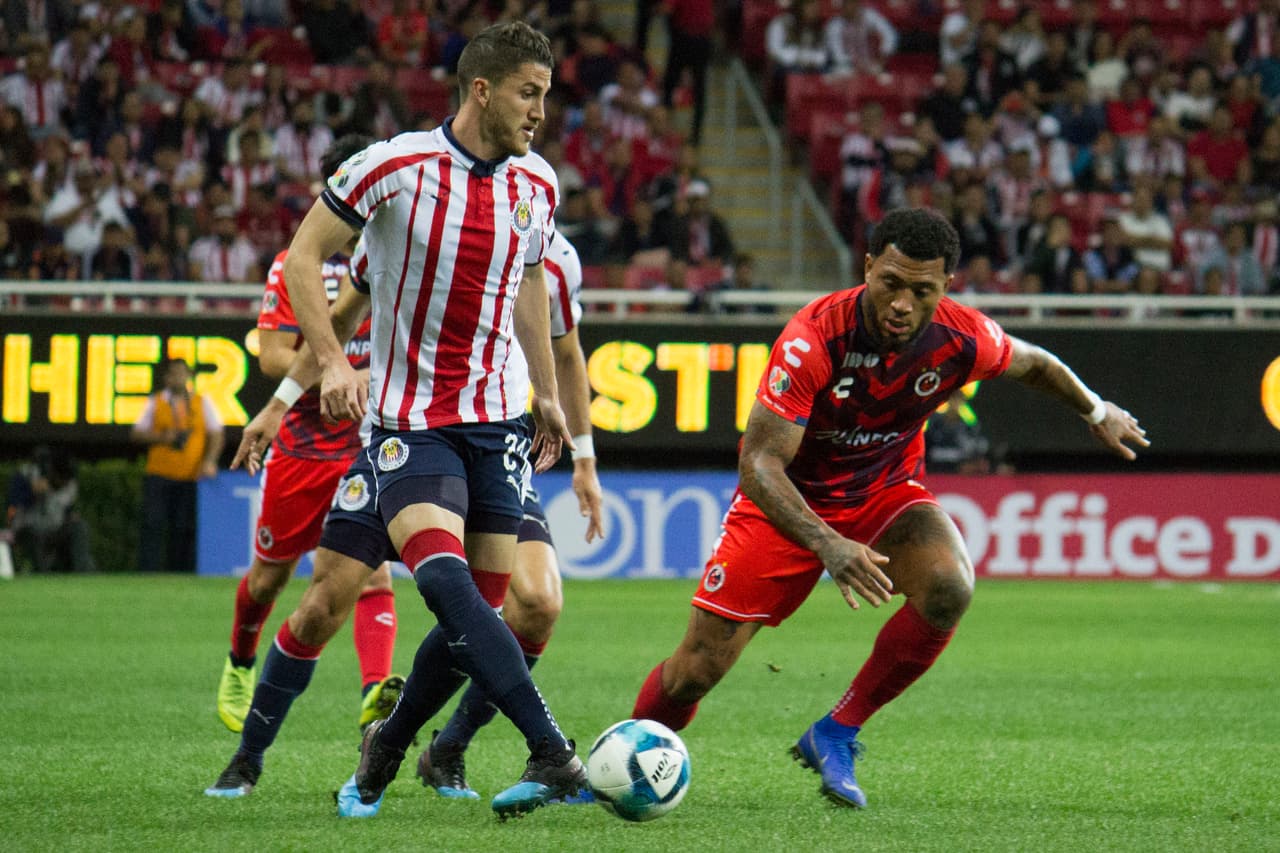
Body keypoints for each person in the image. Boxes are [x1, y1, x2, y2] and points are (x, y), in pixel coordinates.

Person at [629, 207, 1149, 809]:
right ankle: (614, 771)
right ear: (869, 267)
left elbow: (1037, 364)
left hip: (885, 493)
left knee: (950, 587)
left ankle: (836, 731)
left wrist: (1095, 410)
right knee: (695, 672)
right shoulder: (813, 338)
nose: (902, 304)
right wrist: (827, 543)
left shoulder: (963, 337)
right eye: (891, 283)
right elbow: (760, 465)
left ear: (945, 286)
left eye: (922, 291)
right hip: (788, 504)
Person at [278, 21, 585, 820]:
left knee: (473, 615)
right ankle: (552, 751)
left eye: (545, 96)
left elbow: (528, 281)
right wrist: (333, 361)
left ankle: (385, 750)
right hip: (410, 420)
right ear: (481, 90)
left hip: (497, 420)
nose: (539, 112)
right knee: (446, 582)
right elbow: (305, 255)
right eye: (527, 93)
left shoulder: (537, 183)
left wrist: (546, 390)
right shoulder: (392, 167)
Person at [207, 228, 604, 806]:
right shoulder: (404, 220)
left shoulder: (544, 243)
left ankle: (424, 748)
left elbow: (565, 351)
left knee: (508, 605)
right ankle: (247, 758)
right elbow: (338, 319)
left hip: (493, 442)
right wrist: (277, 406)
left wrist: (582, 455)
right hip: (404, 440)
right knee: (324, 606)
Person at [213, 134, 404, 738]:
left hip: (368, 443)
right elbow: (272, 355)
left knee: (371, 571)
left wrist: (374, 378)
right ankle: (241, 658)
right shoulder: (299, 263)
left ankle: (376, 695)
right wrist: (339, 369)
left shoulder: (397, 254)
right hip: (302, 447)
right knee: (268, 578)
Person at [131, 358, 225, 573]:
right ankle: (148, 572)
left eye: (182, 373)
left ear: (189, 376)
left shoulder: (202, 402)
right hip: (159, 473)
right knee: (153, 523)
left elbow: (217, 434)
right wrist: (162, 438)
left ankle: (180, 572)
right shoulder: (156, 401)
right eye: (173, 374)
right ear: (166, 378)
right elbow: (136, 433)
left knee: (184, 527)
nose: (178, 378)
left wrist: (209, 461)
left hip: (190, 475)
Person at [5, 445, 95, 574]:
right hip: (30, 530)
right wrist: (31, 493)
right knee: (31, 538)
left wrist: (70, 516)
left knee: (79, 527)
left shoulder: (69, 483)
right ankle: (41, 573)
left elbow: (66, 508)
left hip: (55, 530)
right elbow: (12, 508)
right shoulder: (26, 475)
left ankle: (84, 572)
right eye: (62, 479)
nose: (64, 483)